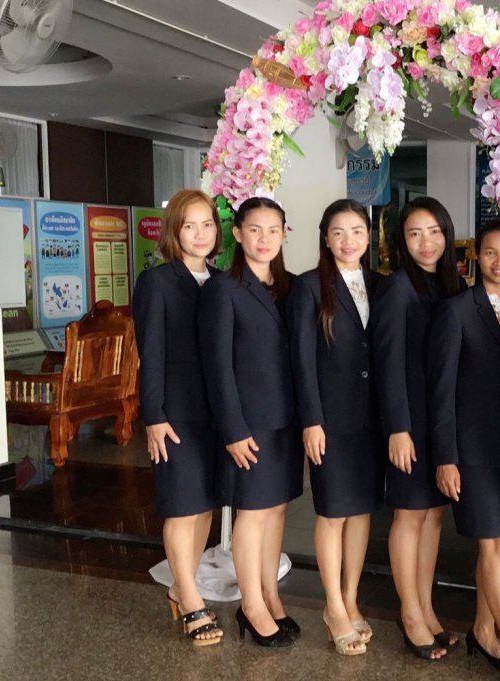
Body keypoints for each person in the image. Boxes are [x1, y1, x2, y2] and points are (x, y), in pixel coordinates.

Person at [427, 219, 500, 681]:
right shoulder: (456, 311)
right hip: (473, 451)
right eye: (492, 252)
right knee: (493, 544)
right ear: (478, 255)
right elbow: (441, 392)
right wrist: (445, 456)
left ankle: (483, 628)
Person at [198, 196, 301, 648]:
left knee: (276, 509)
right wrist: (233, 430)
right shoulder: (223, 289)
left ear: (283, 235)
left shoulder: (289, 287)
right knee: (253, 512)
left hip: (286, 420)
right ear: (238, 234)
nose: (264, 239)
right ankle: (251, 605)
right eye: (254, 229)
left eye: (273, 230)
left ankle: (271, 596)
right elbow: (217, 366)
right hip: (249, 424)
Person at [286, 199, 385, 657]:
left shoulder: (380, 285)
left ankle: (350, 598)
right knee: (332, 512)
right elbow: (302, 359)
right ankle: (332, 606)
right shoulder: (309, 287)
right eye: (339, 232)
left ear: (369, 237)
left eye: (357, 231)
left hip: (372, 420)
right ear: (326, 238)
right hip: (330, 419)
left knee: (361, 512)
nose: (349, 240)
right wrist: (311, 420)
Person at [371, 196, 465, 660]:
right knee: (409, 516)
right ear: (400, 242)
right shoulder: (397, 288)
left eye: (433, 232)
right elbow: (387, 363)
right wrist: (397, 428)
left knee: (433, 516)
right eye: (414, 234)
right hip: (409, 423)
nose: (426, 242)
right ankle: (409, 614)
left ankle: (426, 608)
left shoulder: (452, 284)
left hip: (442, 423)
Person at [132, 188, 224, 647]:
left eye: (207, 224)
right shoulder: (158, 282)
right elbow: (149, 353)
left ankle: (182, 585)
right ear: (174, 231)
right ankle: (190, 599)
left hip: (217, 413)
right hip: (175, 414)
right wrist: (153, 415)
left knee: (205, 504)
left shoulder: (222, 280)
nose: (200, 234)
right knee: (180, 504)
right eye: (189, 225)